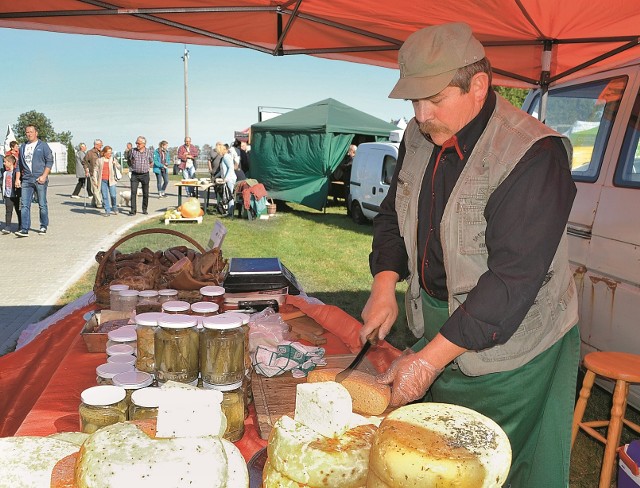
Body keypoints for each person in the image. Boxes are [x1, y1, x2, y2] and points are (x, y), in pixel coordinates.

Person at [360, 23, 579, 487]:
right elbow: (391, 219)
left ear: (478, 86)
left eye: (434, 99)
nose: (421, 116)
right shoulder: (419, 138)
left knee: (489, 465)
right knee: (438, 456)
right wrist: (384, 285)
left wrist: (426, 360)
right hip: (441, 324)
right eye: (413, 102)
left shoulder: (533, 154)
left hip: (513, 343)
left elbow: (510, 282)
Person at [15, 125, 53, 236]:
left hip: (39, 178)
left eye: (31, 132)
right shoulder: (22, 147)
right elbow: (19, 165)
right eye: (27, 132)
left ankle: (43, 226)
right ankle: (25, 228)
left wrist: (44, 176)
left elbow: (49, 161)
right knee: (24, 204)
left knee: (42, 204)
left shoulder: (43, 145)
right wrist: (17, 179)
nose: (29, 134)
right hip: (26, 179)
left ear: (36, 133)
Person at [128, 136, 153, 216]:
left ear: (144, 144)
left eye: (138, 143)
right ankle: (133, 210)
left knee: (145, 193)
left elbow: (151, 162)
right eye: (136, 143)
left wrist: (147, 167)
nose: (137, 144)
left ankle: (144, 209)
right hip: (135, 175)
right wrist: (132, 167)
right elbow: (129, 160)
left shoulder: (149, 151)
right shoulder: (132, 151)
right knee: (133, 192)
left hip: (145, 175)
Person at [94, 145, 121, 216]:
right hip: (102, 180)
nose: (110, 154)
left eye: (111, 153)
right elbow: (95, 170)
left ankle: (114, 207)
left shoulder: (113, 159)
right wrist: (95, 181)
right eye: (108, 153)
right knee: (105, 196)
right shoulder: (99, 160)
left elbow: (119, 167)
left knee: (113, 195)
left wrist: (115, 164)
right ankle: (107, 211)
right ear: (104, 153)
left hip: (112, 180)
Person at [2, 154, 21, 234]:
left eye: (5, 162)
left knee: (19, 211)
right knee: (8, 211)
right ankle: (7, 226)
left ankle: (21, 225)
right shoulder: (5, 173)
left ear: (10, 163)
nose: (3, 163)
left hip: (16, 195)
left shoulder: (16, 173)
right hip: (8, 195)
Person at [83, 139, 103, 208]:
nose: (101, 146)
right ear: (96, 145)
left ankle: (93, 202)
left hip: (101, 173)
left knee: (98, 188)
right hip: (93, 173)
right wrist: (86, 169)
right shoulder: (90, 153)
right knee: (95, 188)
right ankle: (99, 203)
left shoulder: (101, 153)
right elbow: (84, 162)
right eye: (100, 145)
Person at [221, 144, 237, 218]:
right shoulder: (225, 157)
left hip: (230, 179)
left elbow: (231, 168)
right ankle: (230, 212)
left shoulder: (226, 157)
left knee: (229, 196)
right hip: (229, 178)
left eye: (223, 149)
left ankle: (231, 213)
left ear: (226, 150)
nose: (221, 150)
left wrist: (226, 178)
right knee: (229, 195)